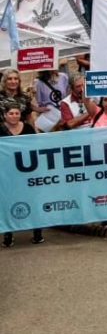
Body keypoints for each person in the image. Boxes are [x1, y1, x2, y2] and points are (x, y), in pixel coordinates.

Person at [1, 105, 42, 247]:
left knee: (33, 200)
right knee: (7, 202)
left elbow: (35, 147)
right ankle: (8, 235)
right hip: (6, 172)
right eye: (11, 113)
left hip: (27, 171)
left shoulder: (29, 128)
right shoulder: (1, 129)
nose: (14, 115)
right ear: (5, 115)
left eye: (17, 113)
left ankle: (38, 234)